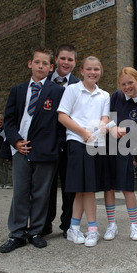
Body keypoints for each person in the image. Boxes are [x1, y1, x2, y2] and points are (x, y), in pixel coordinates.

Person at [0, 47, 64, 253]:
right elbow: (9, 121)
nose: (41, 66)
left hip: (46, 152)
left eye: (45, 64)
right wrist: (15, 141)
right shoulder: (17, 90)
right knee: (20, 192)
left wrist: (56, 146)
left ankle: (35, 231)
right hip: (21, 150)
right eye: (37, 62)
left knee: (40, 194)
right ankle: (17, 234)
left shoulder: (57, 91)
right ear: (30, 64)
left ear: (51, 67)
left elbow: (61, 122)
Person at [57, 56, 110, 247]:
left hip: (96, 144)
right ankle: (93, 229)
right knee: (86, 189)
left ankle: (74, 227)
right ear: (81, 70)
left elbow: (104, 118)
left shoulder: (104, 95)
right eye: (89, 69)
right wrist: (83, 132)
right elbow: (62, 116)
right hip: (77, 142)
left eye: (96, 69)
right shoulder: (71, 90)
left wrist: (100, 127)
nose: (93, 72)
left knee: (84, 188)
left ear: (100, 71)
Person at [103, 67, 137, 242]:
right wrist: (112, 127)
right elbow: (110, 117)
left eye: (130, 82)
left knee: (127, 187)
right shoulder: (116, 96)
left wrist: (125, 129)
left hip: (127, 149)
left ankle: (134, 225)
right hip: (109, 145)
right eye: (123, 84)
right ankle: (111, 224)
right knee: (109, 186)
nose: (127, 87)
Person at [43, 44, 80, 237]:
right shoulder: (43, 81)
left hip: (70, 143)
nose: (66, 62)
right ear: (56, 59)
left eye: (70, 59)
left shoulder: (78, 85)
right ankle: (44, 224)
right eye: (63, 58)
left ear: (75, 63)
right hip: (47, 143)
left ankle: (68, 225)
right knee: (46, 186)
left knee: (69, 186)